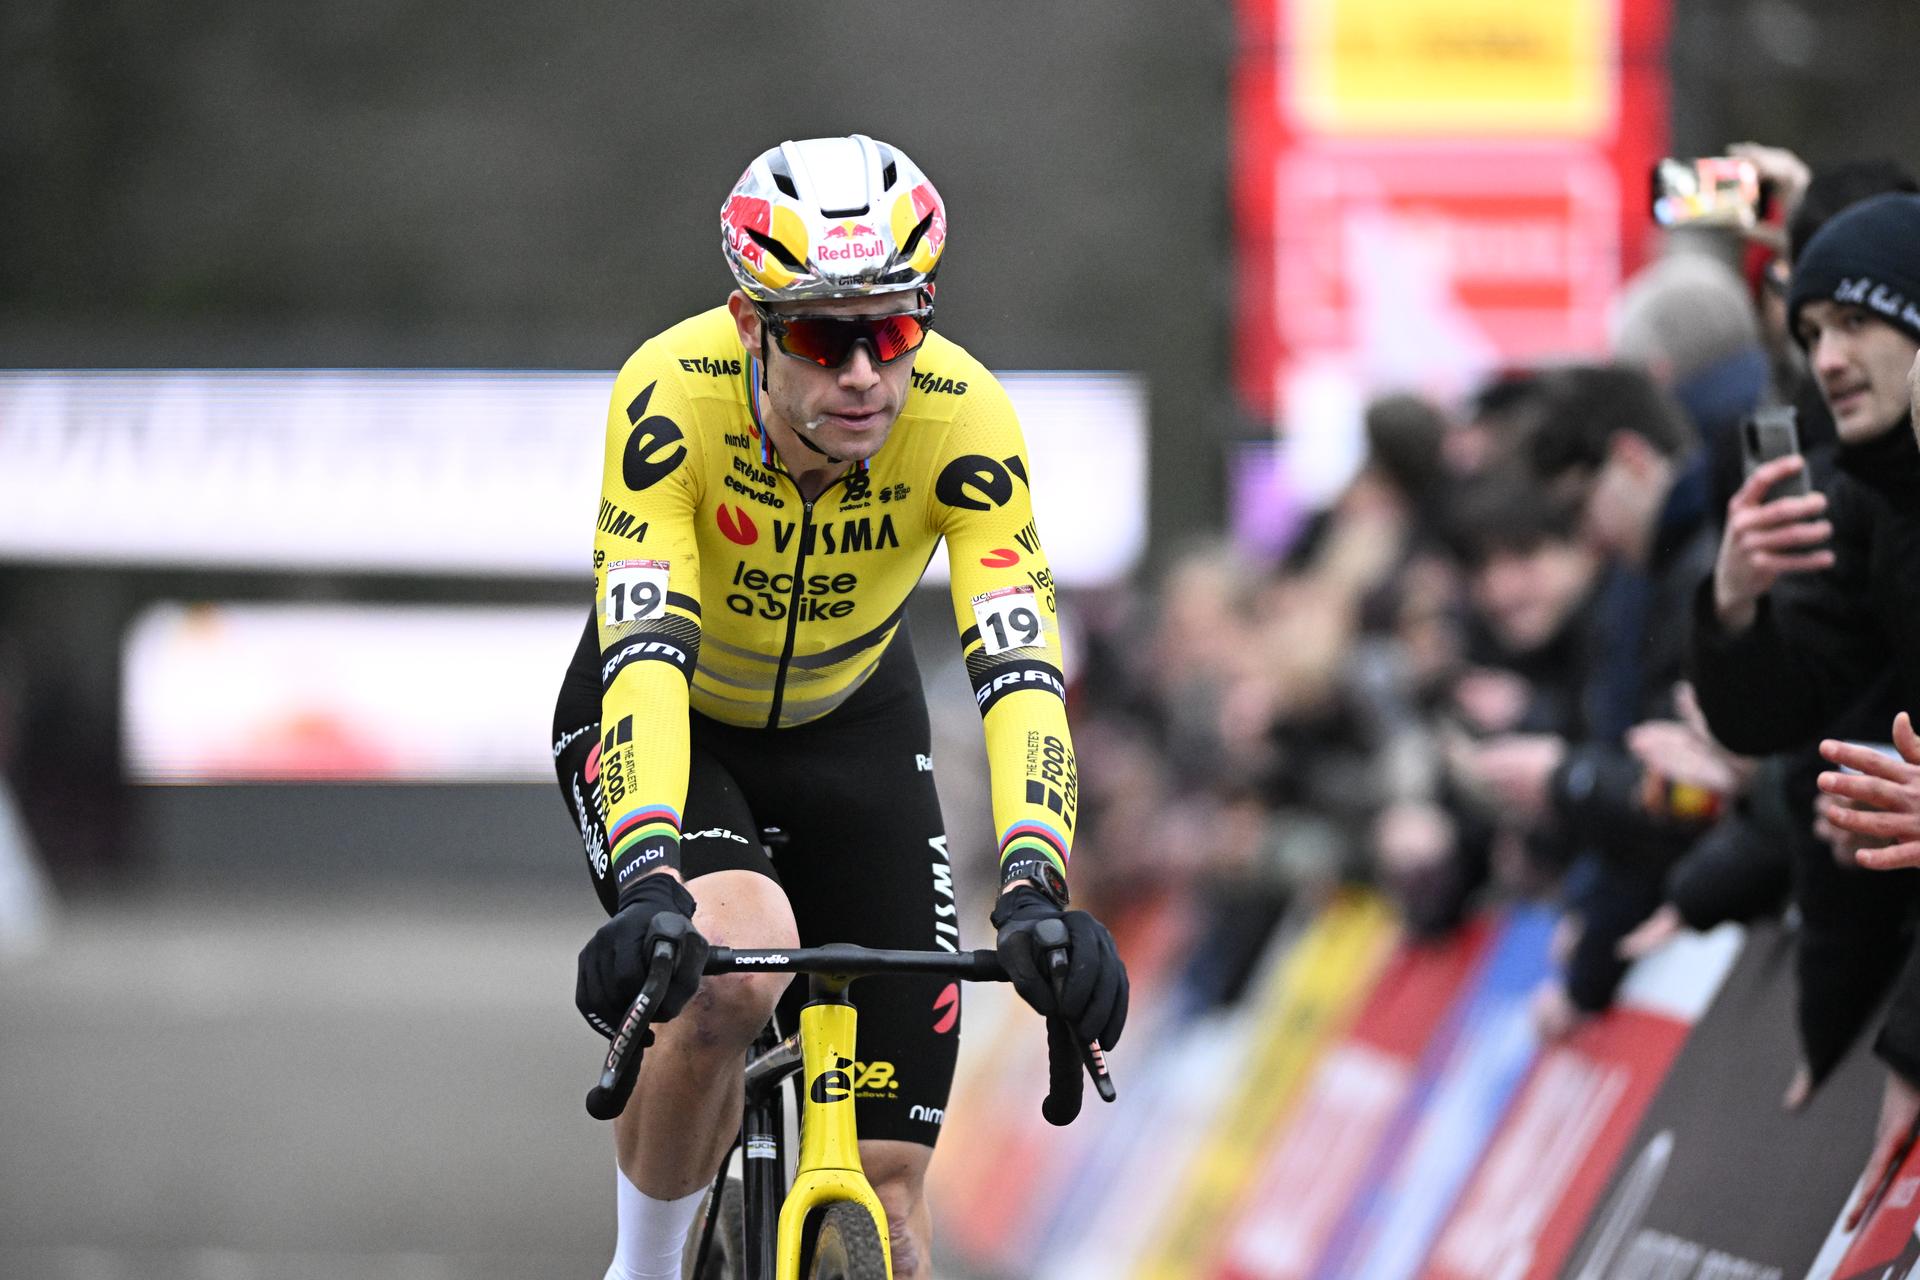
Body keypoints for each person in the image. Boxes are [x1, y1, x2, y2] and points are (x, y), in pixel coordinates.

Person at [549, 134, 1129, 1280]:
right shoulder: (672, 394)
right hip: (678, 716)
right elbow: (649, 655)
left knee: (896, 1200)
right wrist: (655, 871)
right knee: (741, 963)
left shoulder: (965, 419)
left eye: (896, 328)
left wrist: (1035, 880)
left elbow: (1018, 670)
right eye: (826, 335)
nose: (866, 372)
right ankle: (647, 1267)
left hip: (854, 723)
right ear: (753, 324)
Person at [1688, 192, 1920, 1230]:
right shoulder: (1874, 499)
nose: (1826, 358)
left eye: (1855, 324)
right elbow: (1789, 714)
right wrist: (1735, 604)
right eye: (1811, 332)